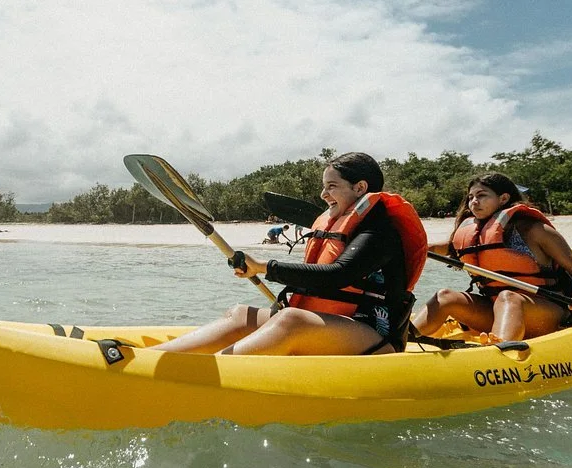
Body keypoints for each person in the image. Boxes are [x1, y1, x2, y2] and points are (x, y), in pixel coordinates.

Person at [152, 152, 427, 356]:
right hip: (335, 326)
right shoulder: (341, 225)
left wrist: (264, 267)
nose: (322, 194)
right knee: (239, 315)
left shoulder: (380, 233)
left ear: (360, 188)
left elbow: (338, 275)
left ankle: (207, 371)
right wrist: (259, 269)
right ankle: (155, 357)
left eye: (331, 186)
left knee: (291, 320)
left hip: (376, 338)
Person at [412, 172, 572, 344]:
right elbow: (442, 248)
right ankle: (403, 341)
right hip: (495, 309)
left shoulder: (533, 230)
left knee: (508, 297)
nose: (474, 202)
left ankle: (498, 351)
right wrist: (415, 248)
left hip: (547, 311)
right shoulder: (471, 230)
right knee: (445, 296)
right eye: (471, 197)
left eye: (482, 195)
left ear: (503, 198)